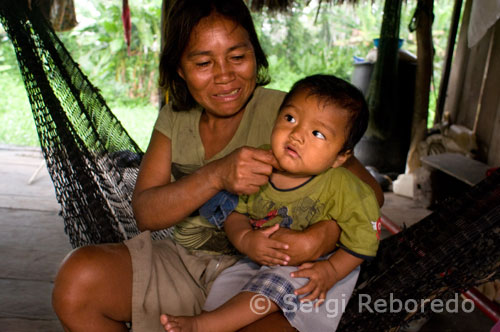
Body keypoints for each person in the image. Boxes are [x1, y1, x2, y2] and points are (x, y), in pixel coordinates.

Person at [51, 1, 384, 331]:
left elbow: (368, 197)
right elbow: (146, 213)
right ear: (180, 69)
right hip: (184, 264)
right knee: (76, 283)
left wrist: (322, 236)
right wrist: (216, 175)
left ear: (255, 54)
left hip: (265, 277)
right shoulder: (174, 119)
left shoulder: (291, 116)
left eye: (238, 57)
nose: (225, 76)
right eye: (203, 62)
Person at [160, 74, 380, 332]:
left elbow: (365, 239)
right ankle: (212, 318)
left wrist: (330, 270)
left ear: (341, 156)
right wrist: (245, 239)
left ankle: (202, 325)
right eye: (290, 118)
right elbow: (235, 211)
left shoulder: (345, 187)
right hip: (256, 261)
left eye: (317, 133)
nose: (297, 134)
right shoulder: (257, 163)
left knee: (276, 285)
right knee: (228, 292)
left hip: (314, 271)